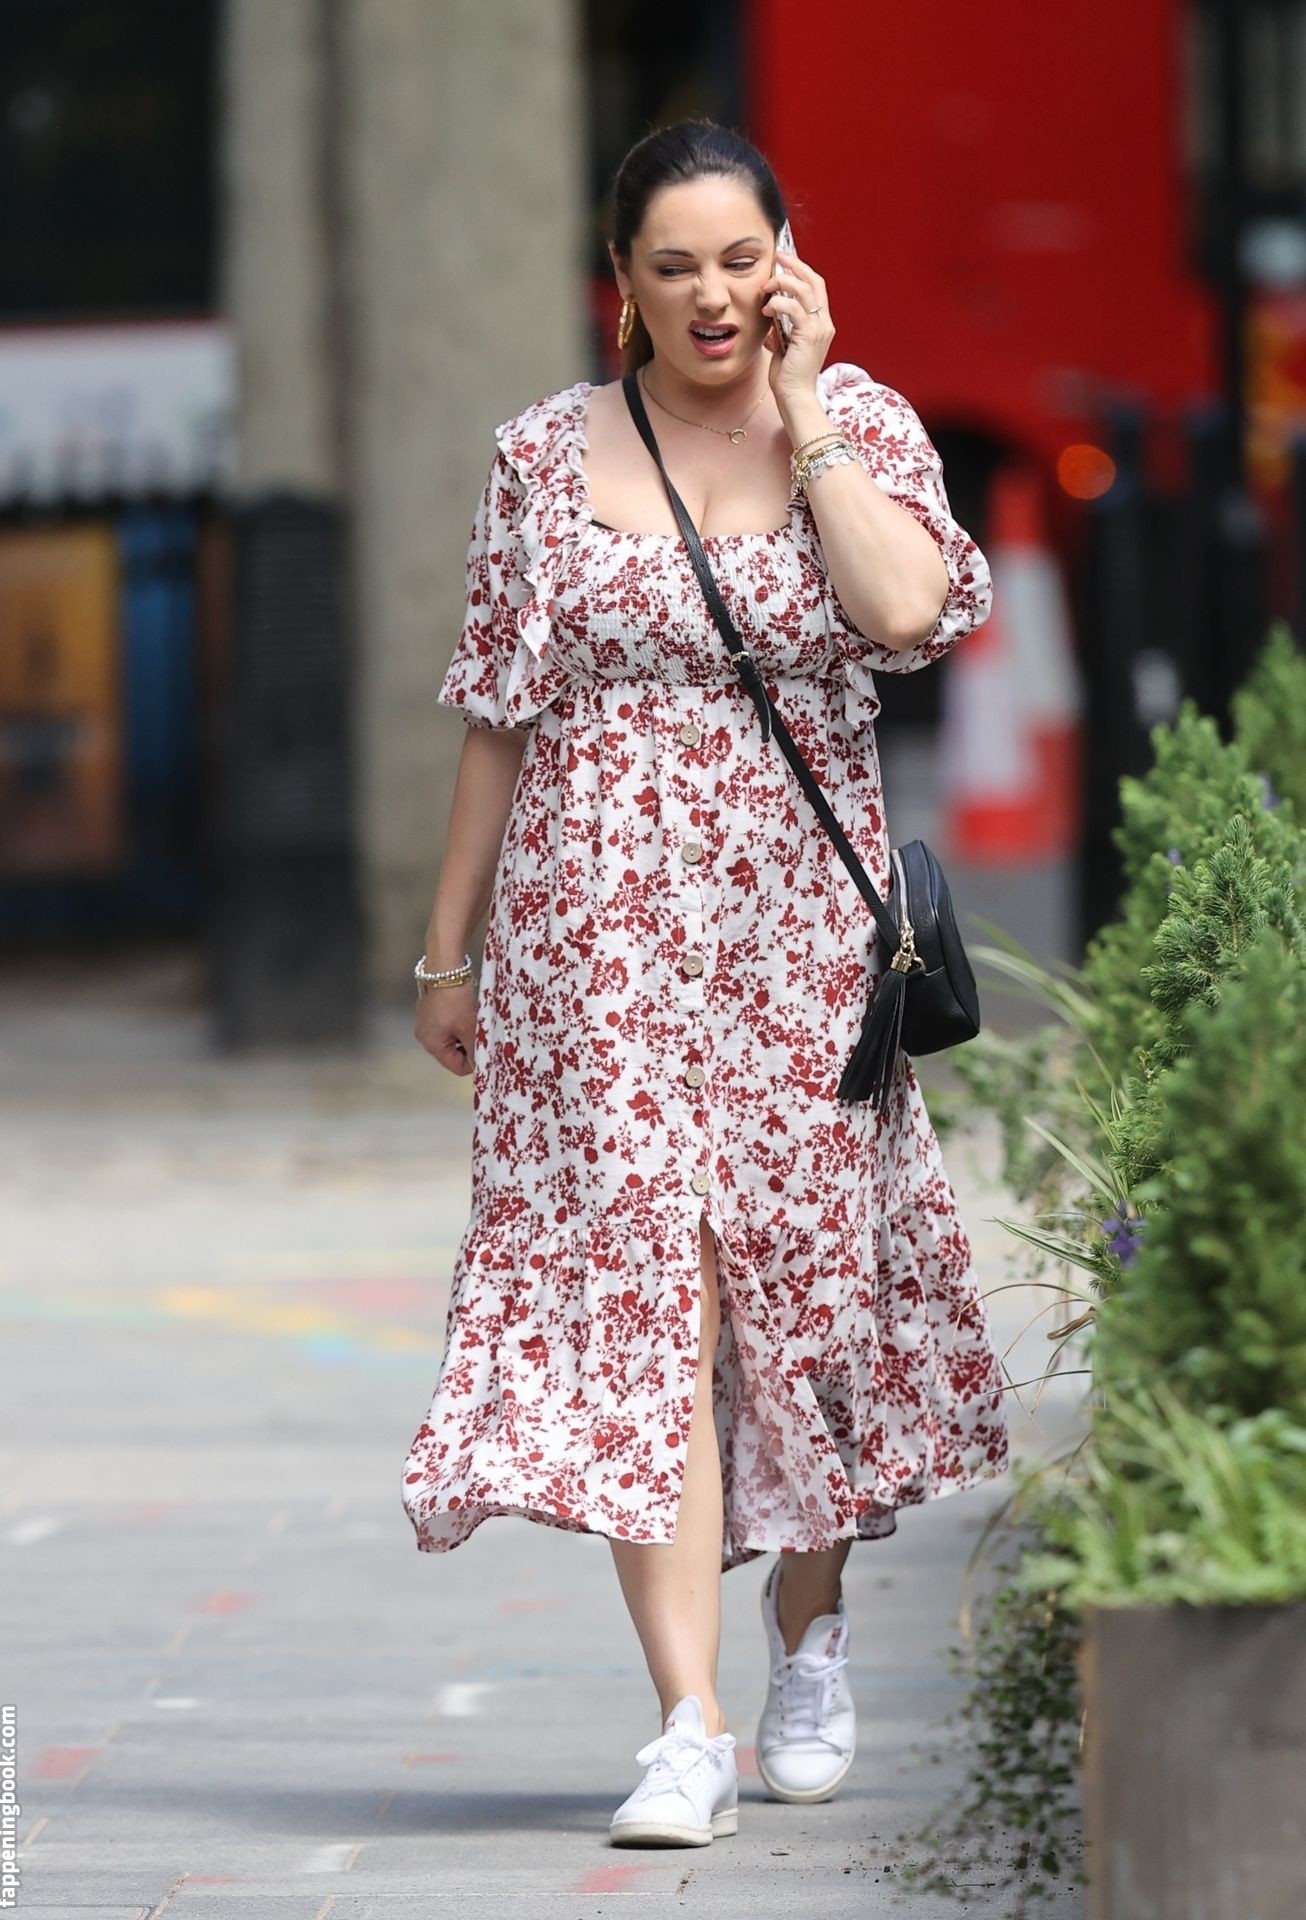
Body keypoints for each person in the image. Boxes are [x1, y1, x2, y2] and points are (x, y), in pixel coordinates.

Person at [403, 118, 1010, 1849]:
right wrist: (448, 948)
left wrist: (809, 418)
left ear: (788, 260)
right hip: (594, 942)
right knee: (642, 1301)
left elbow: (905, 612)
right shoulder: (541, 456)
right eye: (672, 267)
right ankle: (686, 1723)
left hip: (799, 945)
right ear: (621, 282)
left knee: (802, 1289)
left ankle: (808, 1640)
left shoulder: (861, 424)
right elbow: (498, 716)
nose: (710, 295)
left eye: (740, 259)